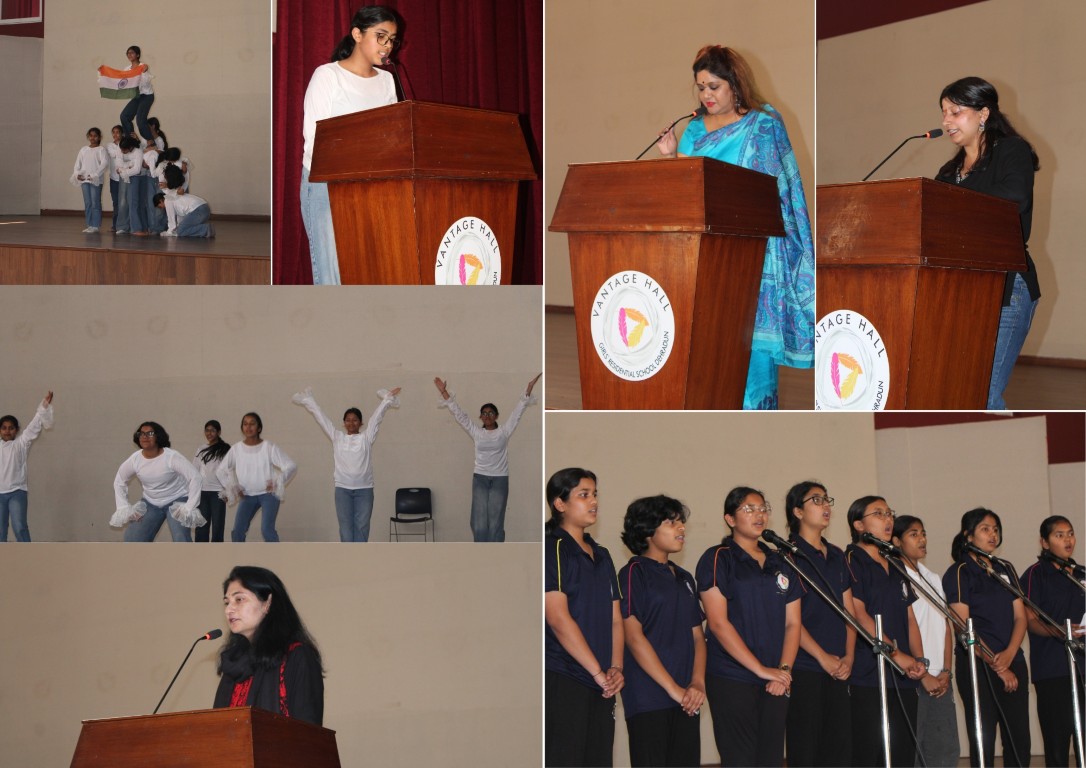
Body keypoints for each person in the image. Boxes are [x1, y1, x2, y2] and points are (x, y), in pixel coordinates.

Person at [656, 46, 813, 410]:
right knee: (709, 339)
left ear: (735, 85)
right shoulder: (693, 130)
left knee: (747, 340)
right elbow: (687, 188)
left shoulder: (764, 124)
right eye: (700, 88)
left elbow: (773, 188)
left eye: (714, 86)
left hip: (751, 250)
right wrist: (671, 156)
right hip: (703, 252)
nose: (706, 95)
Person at [934, 77, 1041, 410]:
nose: (946, 121)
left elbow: (1016, 197)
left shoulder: (1012, 150)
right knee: (957, 390)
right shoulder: (949, 171)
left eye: (955, 111)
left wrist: (955, 200)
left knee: (983, 394)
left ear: (983, 114)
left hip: (1006, 285)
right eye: (943, 113)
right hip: (960, 289)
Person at [695, 487, 801, 767]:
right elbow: (718, 623)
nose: (759, 514)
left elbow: (793, 623)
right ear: (730, 519)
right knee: (741, 759)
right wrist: (760, 670)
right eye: (749, 509)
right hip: (733, 677)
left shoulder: (781, 561)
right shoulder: (719, 557)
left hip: (776, 679)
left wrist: (783, 672)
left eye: (763, 508)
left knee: (771, 759)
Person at [301, 5, 401, 284]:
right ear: (357, 34)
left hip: (372, 184)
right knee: (332, 271)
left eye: (392, 39)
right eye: (381, 36)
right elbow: (315, 140)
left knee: (367, 266)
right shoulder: (328, 75)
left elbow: (392, 136)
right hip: (326, 184)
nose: (387, 46)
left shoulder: (387, 80)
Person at [617, 495, 705, 768]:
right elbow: (633, 636)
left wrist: (697, 684)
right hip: (649, 697)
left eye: (681, 522)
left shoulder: (684, 578)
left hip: (687, 698)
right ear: (647, 531)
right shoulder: (633, 573)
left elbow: (698, 636)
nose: (681, 528)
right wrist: (673, 689)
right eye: (671, 522)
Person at [544, 468, 623, 767]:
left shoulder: (602, 554)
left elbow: (615, 618)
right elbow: (558, 618)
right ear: (560, 504)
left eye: (595, 494)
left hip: (602, 681)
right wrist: (596, 672)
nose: (593, 502)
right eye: (583, 495)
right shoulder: (554, 547)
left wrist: (615, 668)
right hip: (565, 675)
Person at [942, 508, 1031, 767]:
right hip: (978, 664)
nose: (992, 534)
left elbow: (1021, 617)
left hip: (1012, 658)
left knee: (1019, 739)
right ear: (968, 536)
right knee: (984, 738)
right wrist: (996, 664)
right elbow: (962, 627)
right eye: (985, 529)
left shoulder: (1005, 568)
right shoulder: (959, 572)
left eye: (995, 529)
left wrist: (1011, 654)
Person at [845, 496, 927, 767]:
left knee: (904, 752)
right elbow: (857, 613)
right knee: (872, 753)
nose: (888, 519)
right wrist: (897, 654)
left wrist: (919, 661)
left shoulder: (895, 561)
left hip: (904, 675)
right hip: (869, 673)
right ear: (859, 524)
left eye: (889, 513)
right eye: (878, 514)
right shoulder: (850, 560)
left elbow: (910, 618)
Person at [783, 481, 856, 767]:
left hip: (840, 667)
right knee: (806, 750)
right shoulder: (787, 555)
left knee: (839, 750)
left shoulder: (837, 555)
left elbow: (850, 613)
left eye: (827, 500)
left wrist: (849, 656)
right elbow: (791, 620)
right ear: (798, 511)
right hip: (805, 665)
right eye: (816, 500)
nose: (825, 506)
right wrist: (822, 657)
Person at [433, 374, 540, 542]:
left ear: (496, 416)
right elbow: (459, 414)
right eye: (484, 413)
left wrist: (528, 389)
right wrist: (444, 392)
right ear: (480, 417)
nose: (487, 416)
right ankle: (481, 554)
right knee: (479, 522)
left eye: (491, 413)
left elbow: (517, 412)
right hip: (480, 478)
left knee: (496, 521)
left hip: (500, 479)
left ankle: (496, 554)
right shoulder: (477, 432)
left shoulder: (504, 432)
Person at [213, 565, 324, 725]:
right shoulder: (232, 664)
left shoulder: (297, 656)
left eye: (239, 599)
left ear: (267, 603)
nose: (229, 609)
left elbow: (308, 733)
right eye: (227, 602)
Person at [892, 514, 960, 768]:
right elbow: (907, 628)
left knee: (945, 747)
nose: (921, 539)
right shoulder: (896, 577)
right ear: (896, 541)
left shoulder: (932, 577)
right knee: (915, 748)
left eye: (923, 533)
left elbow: (945, 625)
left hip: (940, 677)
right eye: (913, 534)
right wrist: (923, 674)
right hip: (914, 675)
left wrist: (946, 670)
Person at [291, 385, 401, 541]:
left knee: (362, 527)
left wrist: (386, 401)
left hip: (365, 490)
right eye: (348, 420)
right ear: (343, 423)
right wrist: (309, 401)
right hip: (343, 490)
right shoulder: (337, 437)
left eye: (355, 420)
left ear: (360, 423)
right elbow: (322, 419)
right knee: (345, 529)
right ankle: (348, 560)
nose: (351, 423)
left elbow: (376, 419)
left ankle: (360, 560)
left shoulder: (366, 438)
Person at [1021, 515, 1084, 767]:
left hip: (1083, 665)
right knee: (1058, 743)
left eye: (1070, 533)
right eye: (1059, 535)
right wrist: (1061, 632)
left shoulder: (1081, 573)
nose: (1067, 539)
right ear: (1044, 542)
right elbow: (1029, 619)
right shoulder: (1035, 575)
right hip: (1053, 669)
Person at [111, 421, 203, 542]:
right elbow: (119, 482)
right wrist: (124, 507)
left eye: (150, 433)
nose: (145, 437)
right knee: (132, 539)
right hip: (150, 503)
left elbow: (195, 477)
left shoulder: (171, 457)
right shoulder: (135, 460)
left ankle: (187, 560)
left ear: (158, 437)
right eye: (142, 433)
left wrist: (189, 507)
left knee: (181, 538)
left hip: (177, 499)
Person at [216, 413, 298, 542]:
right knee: (237, 531)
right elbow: (220, 471)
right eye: (245, 424)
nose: (248, 427)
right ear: (242, 427)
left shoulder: (269, 447)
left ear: (259, 428)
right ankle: (239, 559)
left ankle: (276, 560)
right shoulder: (236, 449)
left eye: (252, 423)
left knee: (267, 530)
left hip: (269, 495)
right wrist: (233, 488)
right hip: (247, 496)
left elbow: (291, 466)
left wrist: (278, 481)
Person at [0, 392, 54, 542]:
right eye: (4, 428)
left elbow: (34, 425)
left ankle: (30, 558)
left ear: (16, 430)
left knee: (19, 526)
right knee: (1, 529)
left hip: (17, 492)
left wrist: (44, 406)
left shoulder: (21, 443)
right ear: (0, 430)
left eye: (11, 428)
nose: (7, 431)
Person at [193, 420, 230, 543]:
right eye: (207, 430)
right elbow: (194, 470)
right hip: (202, 492)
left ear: (218, 432)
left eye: (213, 430)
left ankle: (217, 556)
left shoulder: (225, 449)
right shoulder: (201, 449)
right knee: (201, 527)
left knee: (218, 527)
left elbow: (229, 472)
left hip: (218, 493)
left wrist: (227, 491)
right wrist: (193, 491)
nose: (209, 433)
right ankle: (200, 555)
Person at [156, 165, 214, 237]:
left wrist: (169, 232)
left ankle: (205, 229)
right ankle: (204, 229)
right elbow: (181, 218)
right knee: (181, 229)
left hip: (198, 211)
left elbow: (171, 221)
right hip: (204, 208)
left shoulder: (168, 199)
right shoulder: (175, 192)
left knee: (181, 231)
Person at [70, 128, 109, 233]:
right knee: (88, 202)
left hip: (95, 180)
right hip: (84, 180)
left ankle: (95, 225)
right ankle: (89, 224)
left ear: (99, 137)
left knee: (95, 202)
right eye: (91, 135)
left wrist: (95, 175)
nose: (93, 138)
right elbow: (78, 163)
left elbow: (104, 164)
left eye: (95, 136)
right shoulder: (83, 149)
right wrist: (77, 174)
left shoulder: (101, 150)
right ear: (88, 137)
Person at [117, 45, 155, 142]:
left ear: (137, 55)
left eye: (132, 52)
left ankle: (151, 142)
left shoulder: (143, 67)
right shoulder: (127, 69)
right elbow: (123, 83)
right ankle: (131, 140)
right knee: (124, 116)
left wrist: (142, 72)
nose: (129, 54)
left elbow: (145, 83)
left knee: (140, 121)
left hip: (146, 96)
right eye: (128, 53)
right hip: (137, 97)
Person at [116, 136, 147, 235]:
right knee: (129, 202)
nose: (122, 151)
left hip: (139, 177)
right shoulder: (121, 150)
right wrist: (128, 166)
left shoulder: (138, 151)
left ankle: (143, 227)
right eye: (121, 149)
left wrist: (123, 170)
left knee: (139, 203)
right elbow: (118, 164)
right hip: (129, 177)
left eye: (124, 149)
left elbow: (137, 169)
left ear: (130, 147)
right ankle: (135, 228)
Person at [105, 125, 128, 233]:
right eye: (113, 132)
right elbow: (115, 154)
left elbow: (126, 156)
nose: (115, 134)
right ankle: (115, 225)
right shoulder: (110, 145)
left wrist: (124, 143)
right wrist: (122, 145)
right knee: (116, 202)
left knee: (124, 202)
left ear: (122, 133)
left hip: (125, 178)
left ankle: (124, 225)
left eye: (118, 132)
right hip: (114, 179)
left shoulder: (126, 144)